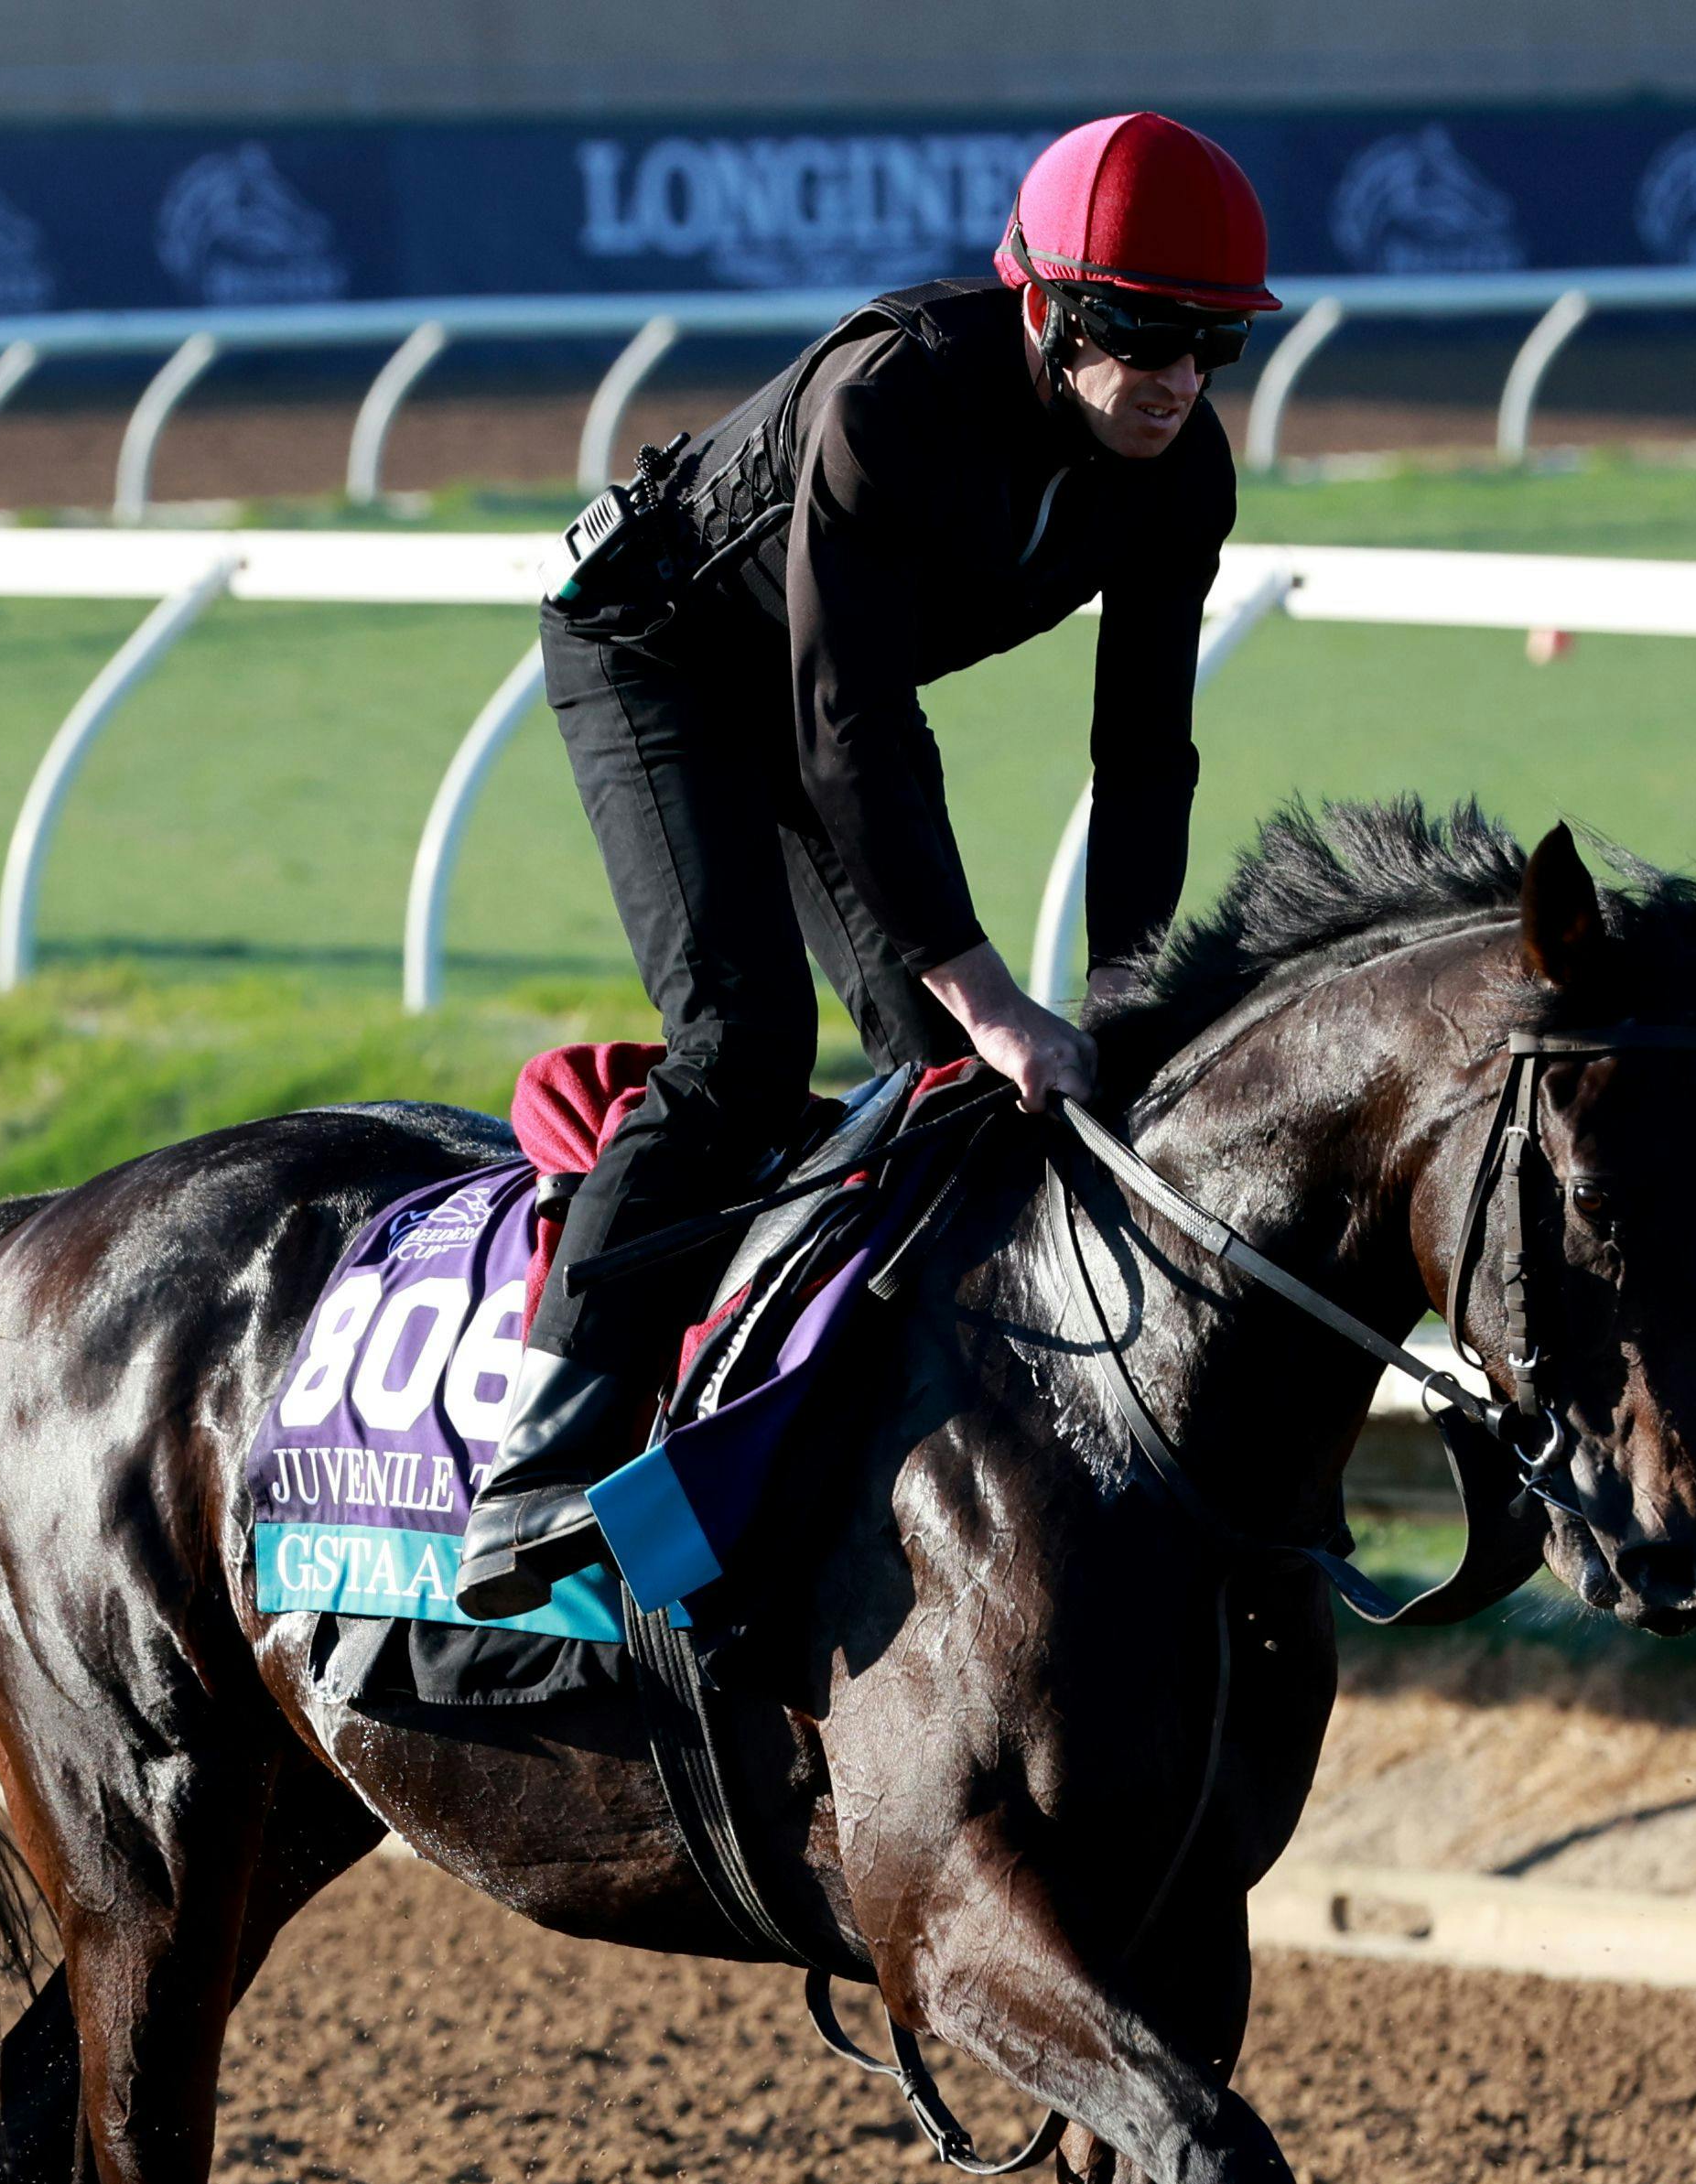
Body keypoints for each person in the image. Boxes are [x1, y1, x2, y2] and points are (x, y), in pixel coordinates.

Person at [455, 111, 1275, 1619]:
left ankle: (857, 1451)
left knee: (938, 1094)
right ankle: (541, 1462)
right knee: (743, 1047)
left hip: (832, 697)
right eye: (1138, 333)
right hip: (659, 659)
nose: (1174, 378)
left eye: (1212, 342)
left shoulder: (1182, 469)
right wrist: (990, 997)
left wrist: (1128, 1003)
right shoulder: (891, 401)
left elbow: (1144, 757)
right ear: (1042, 304)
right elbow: (843, 732)